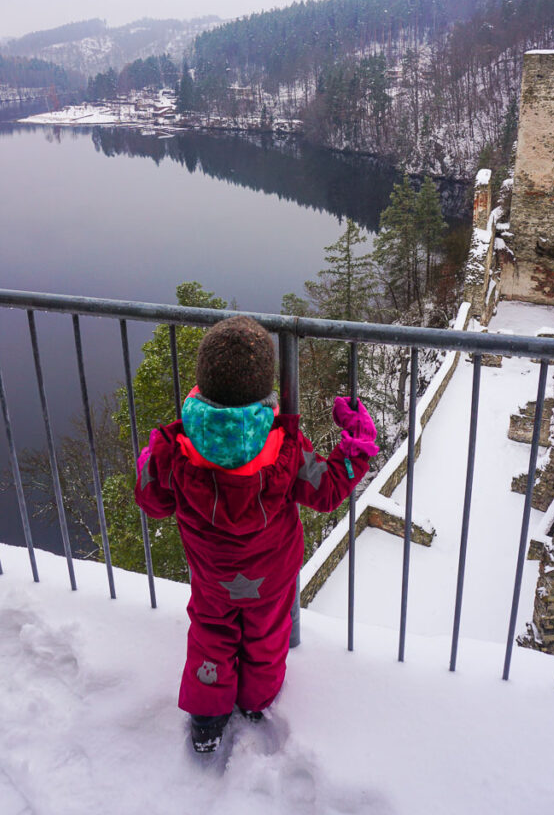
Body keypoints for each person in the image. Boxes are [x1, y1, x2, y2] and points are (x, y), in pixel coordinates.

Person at [134, 315, 378, 753]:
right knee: (267, 637)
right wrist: (355, 442)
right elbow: (326, 489)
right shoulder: (285, 448)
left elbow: (152, 500)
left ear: (203, 384)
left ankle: (208, 718)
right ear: (266, 390)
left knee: (211, 633)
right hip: (271, 578)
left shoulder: (176, 451)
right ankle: (255, 703)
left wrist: (148, 460)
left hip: (212, 578)